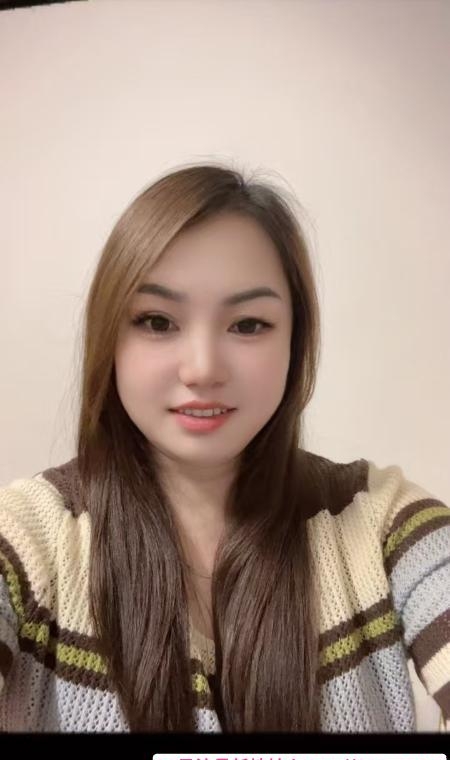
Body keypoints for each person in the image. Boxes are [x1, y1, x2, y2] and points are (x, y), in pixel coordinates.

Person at [0, 163, 449, 734]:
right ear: (110, 336)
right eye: (157, 321)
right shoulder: (28, 540)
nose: (203, 369)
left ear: (296, 341)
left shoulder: (382, 523)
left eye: (248, 325)